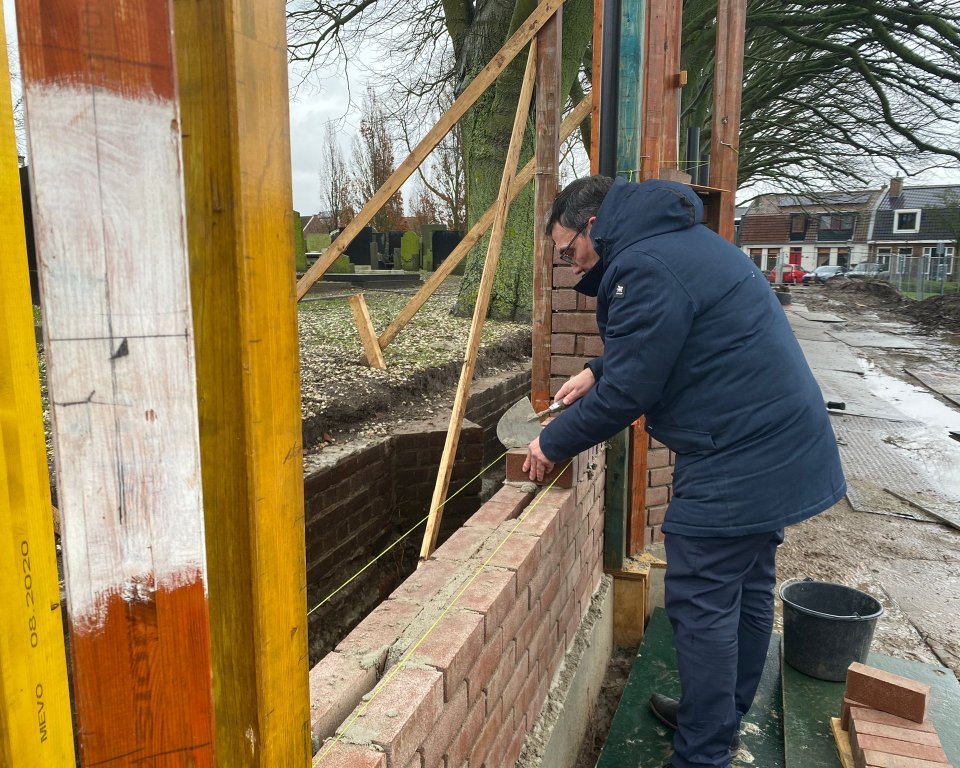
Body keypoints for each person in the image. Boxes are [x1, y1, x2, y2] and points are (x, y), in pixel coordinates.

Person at [523, 175, 846, 768]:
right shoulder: (674, 241)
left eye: (569, 252)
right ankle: (720, 715)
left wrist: (552, 442)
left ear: (594, 226)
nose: (571, 269)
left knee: (700, 598)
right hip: (774, 439)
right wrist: (596, 369)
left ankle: (701, 754)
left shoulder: (640, 265)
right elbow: (670, 332)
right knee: (747, 582)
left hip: (742, 452)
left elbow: (630, 391)